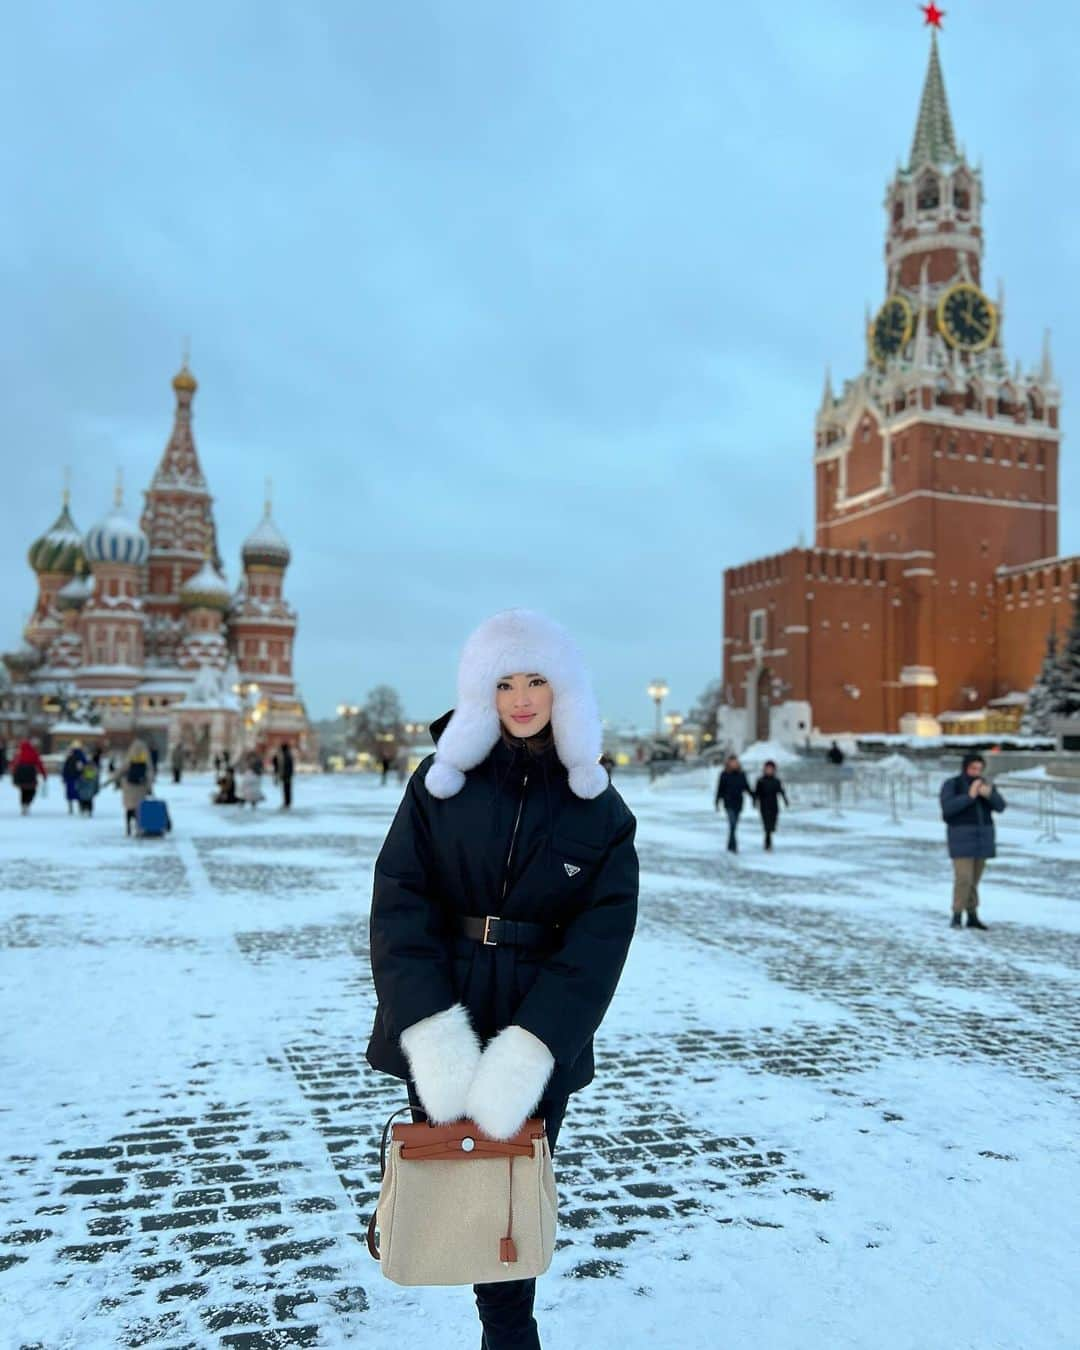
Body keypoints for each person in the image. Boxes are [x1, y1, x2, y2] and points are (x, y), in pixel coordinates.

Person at [366, 609, 638, 1350]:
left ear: (565, 690)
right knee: (451, 1175)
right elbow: (399, 904)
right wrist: (428, 1028)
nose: (521, 699)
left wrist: (535, 1046)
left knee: (512, 1188)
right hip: (443, 1014)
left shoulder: (601, 813)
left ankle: (511, 1335)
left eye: (537, 680)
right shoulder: (439, 787)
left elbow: (599, 943)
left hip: (536, 1022)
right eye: (505, 683)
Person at [940, 752, 1006, 930]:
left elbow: (1001, 807)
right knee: (964, 878)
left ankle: (972, 915)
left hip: (982, 838)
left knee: (974, 880)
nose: (976, 772)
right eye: (973, 768)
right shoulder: (952, 784)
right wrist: (969, 796)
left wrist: (989, 795)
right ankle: (956, 914)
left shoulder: (986, 785)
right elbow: (947, 810)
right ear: (965, 768)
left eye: (979, 768)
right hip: (961, 838)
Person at [112, 738, 155, 836]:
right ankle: (139, 827)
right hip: (141, 786)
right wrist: (149, 786)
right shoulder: (145, 757)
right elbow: (150, 772)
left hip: (129, 786)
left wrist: (114, 778)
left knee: (129, 807)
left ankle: (128, 828)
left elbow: (121, 770)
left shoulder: (130, 756)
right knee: (139, 808)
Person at [715, 753, 754, 852]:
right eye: (731, 762)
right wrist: (717, 801)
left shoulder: (742, 774)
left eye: (735, 762)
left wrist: (753, 796)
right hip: (728, 802)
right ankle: (733, 846)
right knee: (732, 823)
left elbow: (746, 787)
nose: (734, 764)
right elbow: (720, 789)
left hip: (738, 802)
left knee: (734, 824)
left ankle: (730, 844)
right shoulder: (724, 775)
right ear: (728, 763)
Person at [753, 759, 789, 850]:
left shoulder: (776, 781)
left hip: (774, 805)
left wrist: (785, 800)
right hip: (764, 805)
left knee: (772, 824)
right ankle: (768, 841)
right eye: (767, 769)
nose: (769, 770)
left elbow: (781, 791)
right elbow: (756, 792)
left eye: (771, 769)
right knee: (766, 824)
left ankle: (769, 835)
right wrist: (754, 801)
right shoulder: (761, 781)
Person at [11, 740, 47, 815]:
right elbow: (39, 763)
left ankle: (23, 805)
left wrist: (14, 774)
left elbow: (14, 764)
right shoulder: (34, 752)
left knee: (23, 790)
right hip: (30, 773)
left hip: (20, 773)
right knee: (32, 790)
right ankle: (27, 803)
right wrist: (44, 774)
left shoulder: (19, 753)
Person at [61, 743, 87, 815]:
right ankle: (80, 808)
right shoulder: (82, 758)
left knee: (70, 793)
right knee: (79, 793)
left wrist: (64, 777)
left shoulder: (70, 757)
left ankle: (70, 808)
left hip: (70, 778)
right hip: (79, 779)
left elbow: (65, 769)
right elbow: (86, 768)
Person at [272, 741, 295, 809]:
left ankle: (287, 803)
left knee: (286, 789)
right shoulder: (288, 755)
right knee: (287, 789)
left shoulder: (283, 756)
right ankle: (287, 802)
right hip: (287, 775)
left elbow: (276, 763)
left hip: (285, 775)